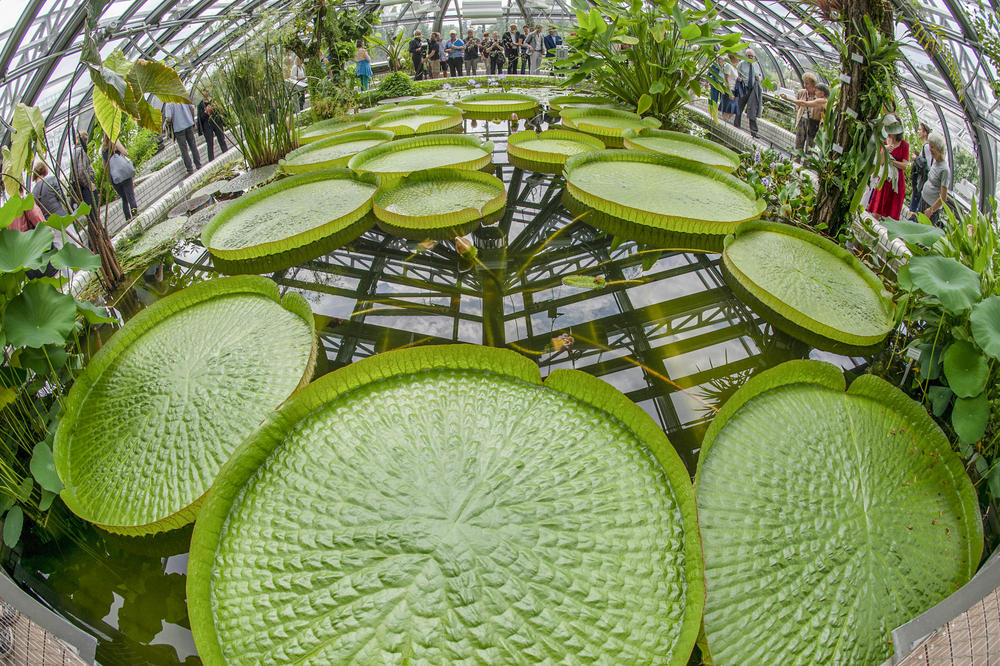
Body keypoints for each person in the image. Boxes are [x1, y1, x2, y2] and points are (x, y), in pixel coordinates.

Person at [866, 116, 909, 222]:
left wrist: (892, 162)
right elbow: (881, 162)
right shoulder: (884, 140)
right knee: (876, 211)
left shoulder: (904, 145)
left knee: (892, 214)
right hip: (884, 180)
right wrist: (884, 151)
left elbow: (905, 166)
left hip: (896, 183)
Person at [914, 131, 950, 226]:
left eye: (933, 147)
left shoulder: (945, 170)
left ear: (940, 149)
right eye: (930, 146)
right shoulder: (935, 162)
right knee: (915, 228)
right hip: (923, 201)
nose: (930, 150)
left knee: (921, 234)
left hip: (930, 208)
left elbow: (943, 197)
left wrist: (931, 210)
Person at [783, 77, 828, 152]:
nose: (815, 92)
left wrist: (787, 99)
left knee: (810, 147)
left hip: (816, 124)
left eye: (817, 91)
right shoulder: (825, 100)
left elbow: (804, 103)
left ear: (822, 93)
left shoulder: (821, 100)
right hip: (822, 126)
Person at [102, 136, 138, 222]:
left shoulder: (103, 149)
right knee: (131, 197)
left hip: (115, 178)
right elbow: (125, 152)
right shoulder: (115, 141)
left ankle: (128, 219)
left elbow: (105, 166)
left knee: (124, 199)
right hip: (124, 174)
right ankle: (136, 218)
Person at [162, 101, 202, 175]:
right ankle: (198, 165)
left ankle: (190, 170)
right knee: (193, 146)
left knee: (184, 150)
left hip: (179, 129)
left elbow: (169, 118)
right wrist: (192, 120)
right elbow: (192, 108)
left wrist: (167, 124)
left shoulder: (169, 104)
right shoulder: (182, 97)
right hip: (189, 125)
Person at [70, 131, 99, 226]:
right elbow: (81, 171)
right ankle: (94, 240)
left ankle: (95, 239)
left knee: (91, 217)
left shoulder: (73, 152)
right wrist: (89, 184)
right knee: (94, 216)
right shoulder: (81, 151)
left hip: (80, 188)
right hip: (86, 189)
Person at [734, 48, 763, 138]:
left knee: (752, 110)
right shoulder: (741, 64)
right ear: (746, 56)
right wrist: (738, 78)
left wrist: (758, 78)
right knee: (739, 107)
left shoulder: (756, 65)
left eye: (752, 56)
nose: (750, 57)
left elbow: (760, 76)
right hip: (743, 88)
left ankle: (754, 132)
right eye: (748, 56)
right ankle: (736, 126)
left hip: (752, 90)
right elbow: (735, 74)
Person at [909, 121, 933, 216]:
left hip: (921, 183)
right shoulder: (925, 146)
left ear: (925, 133)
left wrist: (916, 158)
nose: (918, 132)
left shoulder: (927, 147)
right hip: (921, 182)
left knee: (914, 209)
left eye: (920, 130)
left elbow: (927, 165)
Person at [198, 94, 228, 161]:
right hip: (207, 126)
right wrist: (206, 112)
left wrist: (217, 107)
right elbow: (201, 118)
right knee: (210, 144)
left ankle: (226, 154)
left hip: (217, 122)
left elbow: (221, 111)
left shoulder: (214, 100)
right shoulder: (201, 105)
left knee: (221, 139)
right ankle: (211, 160)